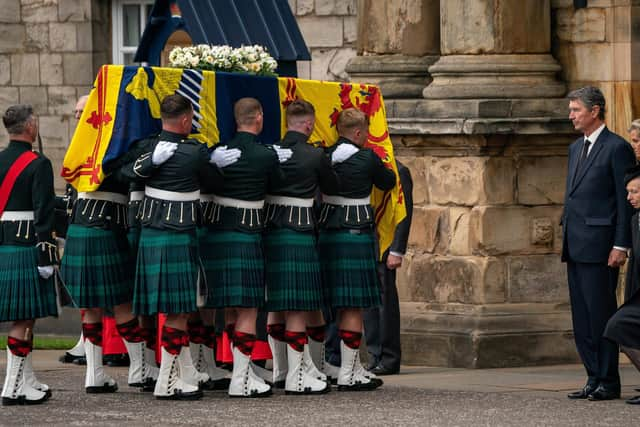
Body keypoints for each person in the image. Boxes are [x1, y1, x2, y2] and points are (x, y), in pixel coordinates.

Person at [126, 94, 240, 400]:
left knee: (174, 309)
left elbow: (126, 174)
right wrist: (213, 163)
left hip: (151, 234)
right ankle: (167, 381)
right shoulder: (194, 152)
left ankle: (185, 372)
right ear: (187, 120)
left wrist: (151, 161)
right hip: (177, 235)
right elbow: (215, 184)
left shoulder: (148, 147)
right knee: (178, 311)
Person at [204, 97, 290, 397]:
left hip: (217, 234)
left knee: (230, 307)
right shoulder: (265, 155)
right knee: (249, 308)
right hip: (246, 233)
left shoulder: (218, 152)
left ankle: (241, 371)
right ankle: (241, 377)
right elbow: (278, 185)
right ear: (260, 117)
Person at [562, 86, 635, 401]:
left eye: (576, 109)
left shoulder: (616, 147)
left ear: (595, 111)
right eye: (571, 109)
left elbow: (624, 201)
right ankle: (592, 376)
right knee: (582, 318)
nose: (571, 115)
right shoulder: (575, 149)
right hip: (575, 244)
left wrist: (621, 244)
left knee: (601, 314)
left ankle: (609, 379)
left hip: (601, 246)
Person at [262, 100, 338, 394]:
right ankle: (297, 374)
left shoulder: (271, 153)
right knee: (298, 304)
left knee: (277, 302)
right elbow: (333, 188)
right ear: (308, 125)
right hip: (300, 231)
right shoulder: (315, 154)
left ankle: (281, 371)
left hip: (270, 231)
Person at [318, 108, 395, 391]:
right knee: (352, 304)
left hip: (327, 233)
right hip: (355, 233)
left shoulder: (324, 156)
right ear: (360, 133)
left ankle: (323, 364)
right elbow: (388, 182)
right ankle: (350, 371)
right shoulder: (366, 157)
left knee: (328, 301)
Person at [0, 104, 58, 405]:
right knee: (23, 320)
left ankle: (26, 379)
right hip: (27, 247)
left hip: (4, 245)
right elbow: (44, 213)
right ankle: (12, 387)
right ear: (31, 127)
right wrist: (47, 256)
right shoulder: (39, 163)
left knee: (26, 320)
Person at [364, 160, 413, 375]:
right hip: (368, 242)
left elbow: (404, 212)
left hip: (386, 245)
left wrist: (397, 249)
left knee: (386, 303)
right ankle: (375, 354)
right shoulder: (367, 165)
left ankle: (389, 357)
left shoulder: (399, 170)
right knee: (369, 305)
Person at [604, 165, 640, 405]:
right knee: (616, 326)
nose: (629, 197)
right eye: (628, 192)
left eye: (635, 192)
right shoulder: (636, 220)